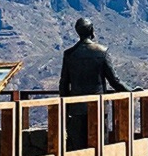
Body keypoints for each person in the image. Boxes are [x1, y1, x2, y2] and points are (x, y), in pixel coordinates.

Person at [59, 17, 137, 148]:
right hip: (98, 108)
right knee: (100, 145)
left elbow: (64, 83)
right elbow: (115, 81)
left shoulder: (69, 54)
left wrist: (65, 108)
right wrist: (131, 90)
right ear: (92, 30)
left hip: (76, 109)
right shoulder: (102, 52)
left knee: (79, 147)